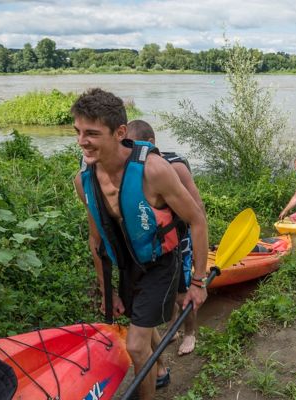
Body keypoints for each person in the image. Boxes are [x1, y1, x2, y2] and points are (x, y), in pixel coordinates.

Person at [72, 88, 209, 400]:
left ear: (120, 132)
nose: (82, 141)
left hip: (161, 263)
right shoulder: (84, 181)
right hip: (127, 265)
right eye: (78, 132)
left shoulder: (154, 170)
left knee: (135, 344)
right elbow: (97, 239)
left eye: (92, 133)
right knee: (140, 331)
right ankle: (158, 369)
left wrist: (198, 281)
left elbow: (197, 219)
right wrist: (108, 290)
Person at [126, 119, 204, 359]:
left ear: (150, 143)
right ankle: (173, 328)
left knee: (182, 293)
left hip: (179, 239)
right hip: (154, 245)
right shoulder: (130, 168)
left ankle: (190, 332)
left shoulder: (174, 167)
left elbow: (198, 210)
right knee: (165, 293)